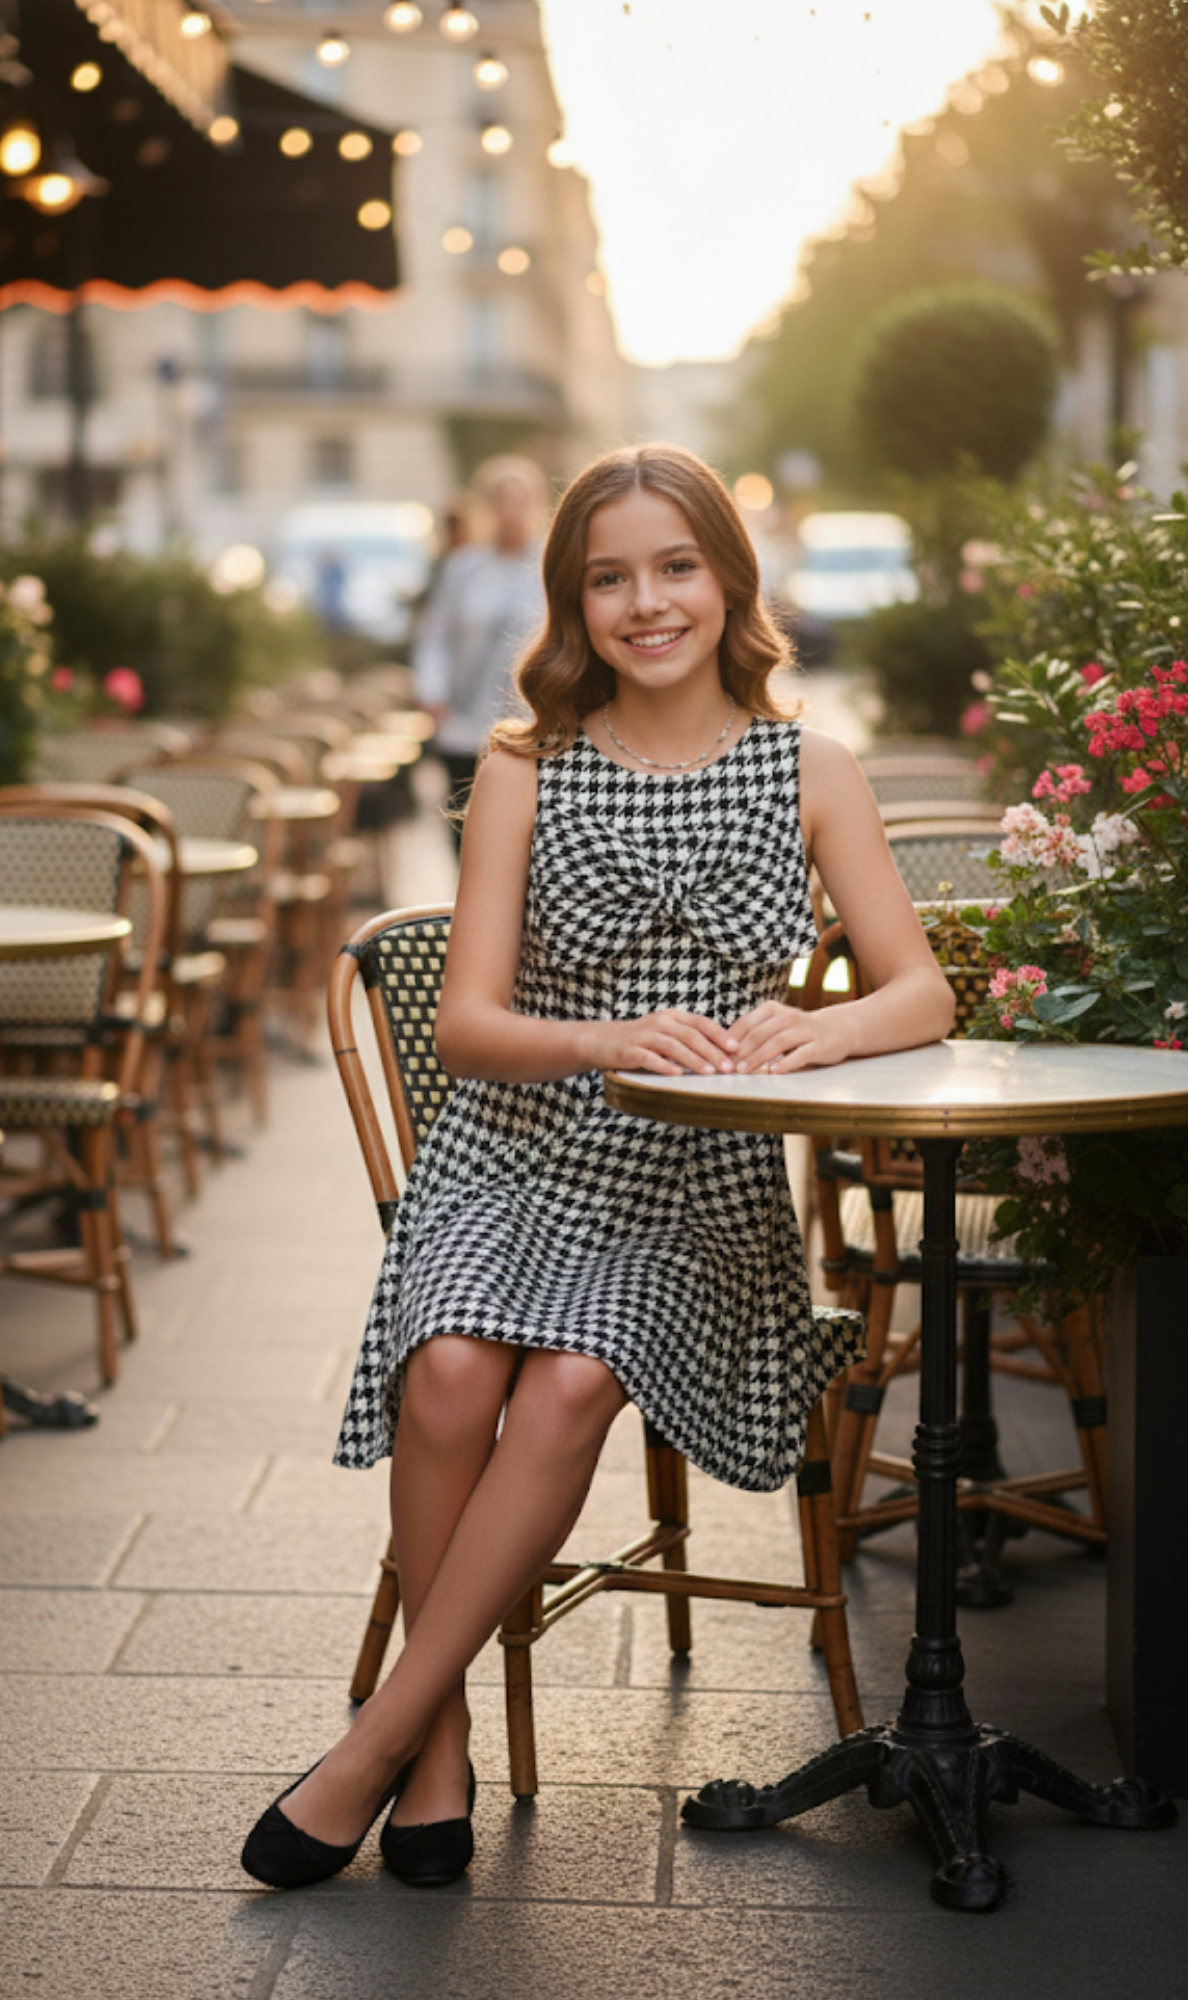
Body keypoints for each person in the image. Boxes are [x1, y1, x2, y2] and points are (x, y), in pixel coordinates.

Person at [241, 442, 956, 1892]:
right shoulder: (524, 772)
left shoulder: (811, 769)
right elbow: (468, 1024)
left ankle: (369, 1744)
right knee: (446, 1368)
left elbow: (921, 995)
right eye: (608, 577)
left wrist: (810, 1032)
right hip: (510, 1153)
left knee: (567, 1376)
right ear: (571, 603)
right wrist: (607, 1035)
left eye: (674, 568)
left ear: (727, 580)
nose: (646, 604)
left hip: (693, 1182)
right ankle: (431, 1750)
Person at [413, 455, 548, 850]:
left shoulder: (549, 566)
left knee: (522, 834)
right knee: (466, 828)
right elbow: (435, 637)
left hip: (531, 724)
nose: (509, 510)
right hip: (466, 721)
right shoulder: (463, 568)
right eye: (500, 500)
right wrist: (432, 693)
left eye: (518, 499)